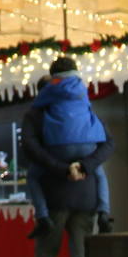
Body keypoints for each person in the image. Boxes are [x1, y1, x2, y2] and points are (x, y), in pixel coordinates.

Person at [22, 82, 112, 257]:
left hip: (54, 197)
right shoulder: (84, 110)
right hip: (86, 197)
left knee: (46, 256)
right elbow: (104, 151)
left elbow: (31, 156)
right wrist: (102, 206)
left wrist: (61, 169)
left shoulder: (38, 115)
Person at [27, 58, 112, 238]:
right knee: (99, 172)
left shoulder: (48, 94)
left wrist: (64, 168)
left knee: (33, 175)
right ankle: (104, 211)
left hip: (59, 149)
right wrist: (85, 165)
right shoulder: (82, 89)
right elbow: (108, 142)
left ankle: (42, 216)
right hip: (88, 147)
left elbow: (30, 144)